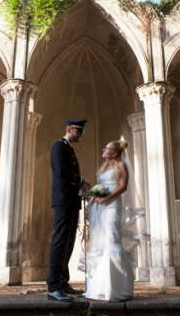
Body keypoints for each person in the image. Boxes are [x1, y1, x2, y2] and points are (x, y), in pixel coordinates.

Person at [47, 120, 91, 302]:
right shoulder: (59, 147)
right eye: (78, 131)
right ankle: (53, 287)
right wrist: (80, 179)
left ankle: (63, 283)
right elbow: (62, 171)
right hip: (63, 201)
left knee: (68, 242)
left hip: (71, 201)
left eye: (81, 132)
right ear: (69, 130)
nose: (80, 135)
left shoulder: (69, 149)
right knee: (60, 241)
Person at [85, 140, 134, 302]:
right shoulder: (103, 168)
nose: (104, 149)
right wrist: (95, 196)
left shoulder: (121, 165)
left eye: (108, 149)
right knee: (101, 242)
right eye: (105, 147)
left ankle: (118, 287)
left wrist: (107, 198)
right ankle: (100, 286)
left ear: (115, 154)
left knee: (113, 240)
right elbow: (100, 186)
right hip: (100, 206)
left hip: (112, 205)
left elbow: (123, 186)